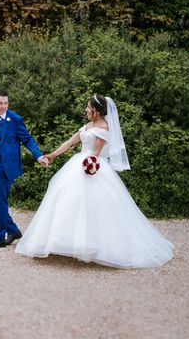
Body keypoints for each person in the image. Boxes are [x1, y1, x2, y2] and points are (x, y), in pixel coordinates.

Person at [15, 94, 174, 268]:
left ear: (96, 111)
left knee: (93, 205)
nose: (85, 110)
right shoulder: (88, 125)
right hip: (78, 164)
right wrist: (53, 155)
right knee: (67, 201)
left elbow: (96, 154)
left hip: (91, 167)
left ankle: (95, 246)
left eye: (88, 107)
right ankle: (66, 241)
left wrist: (89, 166)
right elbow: (71, 142)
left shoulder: (104, 127)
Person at [0, 90, 49, 248]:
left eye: (6, 103)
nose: (3, 106)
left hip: (5, 166)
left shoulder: (14, 119)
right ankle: (13, 230)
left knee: (0, 200)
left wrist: (38, 155)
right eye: (0, 103)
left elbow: (27, 138)